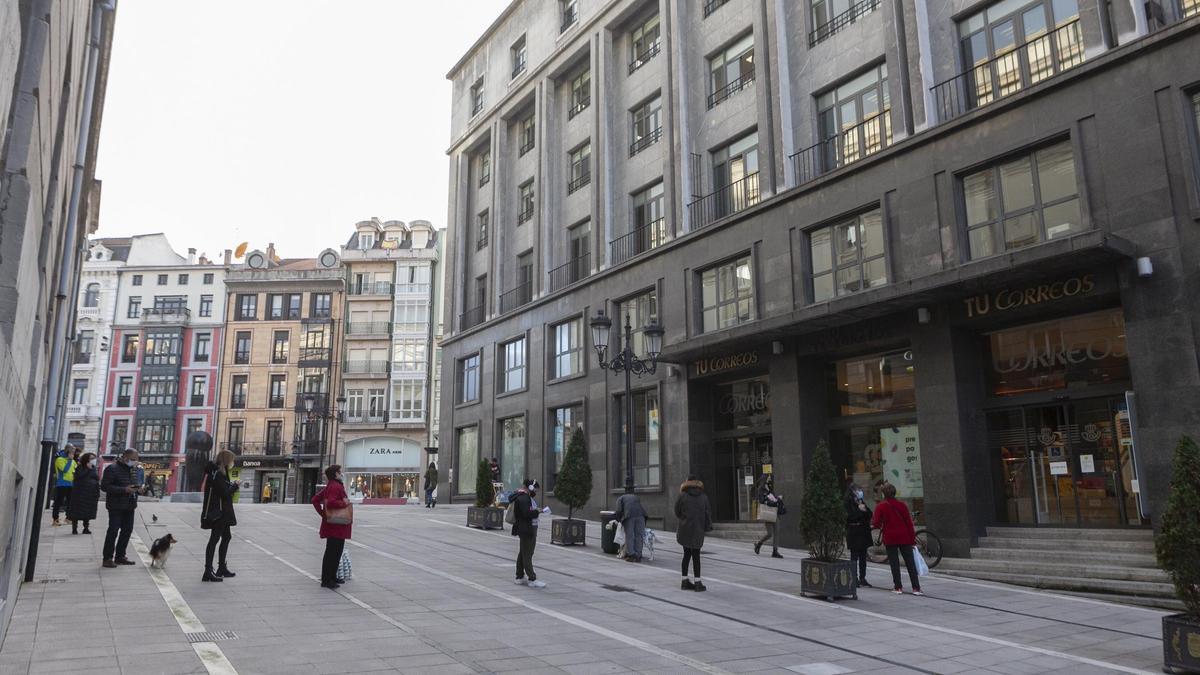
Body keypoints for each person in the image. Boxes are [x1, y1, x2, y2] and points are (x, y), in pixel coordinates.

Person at [871, 483, 922, 595]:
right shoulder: (902, 505)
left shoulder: (881, 506)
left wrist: (872, 525)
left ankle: (898, 587)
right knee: (910, 563)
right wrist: (912, 539)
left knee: (894, 563)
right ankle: (916, 588)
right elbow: (909, 523)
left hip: (890, 537)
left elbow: (876, 523)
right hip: (904, 537)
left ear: (884, 494)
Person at [201, 450, 239, 582]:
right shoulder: (217, 473)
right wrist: (235, 486)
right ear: (226, 460)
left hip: (222, 512)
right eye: (231, 460)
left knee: (227, 537)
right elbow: (224, 493)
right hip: (218, 513)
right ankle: (208, 571)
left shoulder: (220, 473)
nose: (232, 462)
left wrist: (232, 486)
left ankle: (221, 567)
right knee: (214, 540)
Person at [312, 465, 352, 589]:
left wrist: (323, 515)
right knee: (333, 553)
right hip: (336, 525)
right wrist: (344, 503)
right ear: (335, 474)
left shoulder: (331, 485)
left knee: (335, 552)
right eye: (340, 472)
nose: (341, 474)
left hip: (334, 524)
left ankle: (332, 577)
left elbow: (315, 499)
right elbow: (332, 502)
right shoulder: (335, 486)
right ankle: (327, 580)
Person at [100, 449, 140, 568]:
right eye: (133, 459)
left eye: (136, 459)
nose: (134, 461)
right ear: (125, 457)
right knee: (113, 531)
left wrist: (137, 488)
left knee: (127, 530)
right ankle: (107, 558)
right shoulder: (112, 469)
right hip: (116, 505)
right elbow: (105, 486)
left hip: (129, 504)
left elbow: (132, 483)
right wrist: (124, 490)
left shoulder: (132, 470)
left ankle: (120, 556)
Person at [674, 476, 712, 592]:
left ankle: (684, 581)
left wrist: (683, 519)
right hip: (698, 529)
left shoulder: (682, 496)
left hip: (685, 529)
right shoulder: (703, 497)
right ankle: (697, 582)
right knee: (696, 556)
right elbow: (708, 513)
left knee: (686, 554)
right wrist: (706, 526)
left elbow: (677, 511)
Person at [511, 478, 549, 588]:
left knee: (523, 552)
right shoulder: (524, 498)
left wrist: (536, 510)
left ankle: (519, 576)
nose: (536, 492)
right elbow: (527, 513)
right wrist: (537, 511)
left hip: (524, 528)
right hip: (527, 529)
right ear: (530, 488)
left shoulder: (523, 497)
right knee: (528, 553)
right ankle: (532, 578)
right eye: (535, 490)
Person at [845, 482, 873, 587]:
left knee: (863, 557)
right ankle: (854, 578)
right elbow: (849, 517)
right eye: (857, 490)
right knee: (854, 557)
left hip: (863, 531)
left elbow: (870, 514)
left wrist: (864, 510)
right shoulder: (847, 502)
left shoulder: (861, 501)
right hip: (854, 532)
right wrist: (859, 511)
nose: (860, 492)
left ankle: (862, 578)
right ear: (852, 492)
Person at [66, 453, 99, 535]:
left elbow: (96, 478)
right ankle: (74, 529)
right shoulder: (80, 467)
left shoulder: (94, 468)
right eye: (91, 458)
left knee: (88, 512)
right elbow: (78, 477)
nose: (93, 460)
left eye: (94, 458)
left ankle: (86, 528)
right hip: (80, 492)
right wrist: (87, 469)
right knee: (76, 512)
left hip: (90, 493)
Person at [753, 474, 784, 558]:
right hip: (768, 513)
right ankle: (759, 544)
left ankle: (775, 551)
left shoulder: (770, 488)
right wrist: (769, 500)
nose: (770, 479)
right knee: (770, 534)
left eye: (770, 478)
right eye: (768, 478)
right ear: (765, 479)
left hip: (774, 512)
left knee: (776, 532)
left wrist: (778, 498)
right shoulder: (761, 489)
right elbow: (762, 500)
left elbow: (773, 498)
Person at [612, 491, 647, 562]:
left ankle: (632, 555)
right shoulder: (635, 496)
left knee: (630, 535)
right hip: (641, 516)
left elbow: (618, 510)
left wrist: (619, 520)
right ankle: (638, 554)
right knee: (639, 535)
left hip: (629, 516)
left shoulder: (620, 499)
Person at [51, 445, 77, 526]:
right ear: (67, 452)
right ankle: (55, 519)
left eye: (73, 453)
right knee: (58, 502)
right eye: (71, 452)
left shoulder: (73, 461)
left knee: (70, 502)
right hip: (62, 483)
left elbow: (75, 470)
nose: (73, 454)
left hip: (71, 484)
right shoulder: (59, 459)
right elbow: (64, 470)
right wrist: (69, 460)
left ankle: (68, 518)